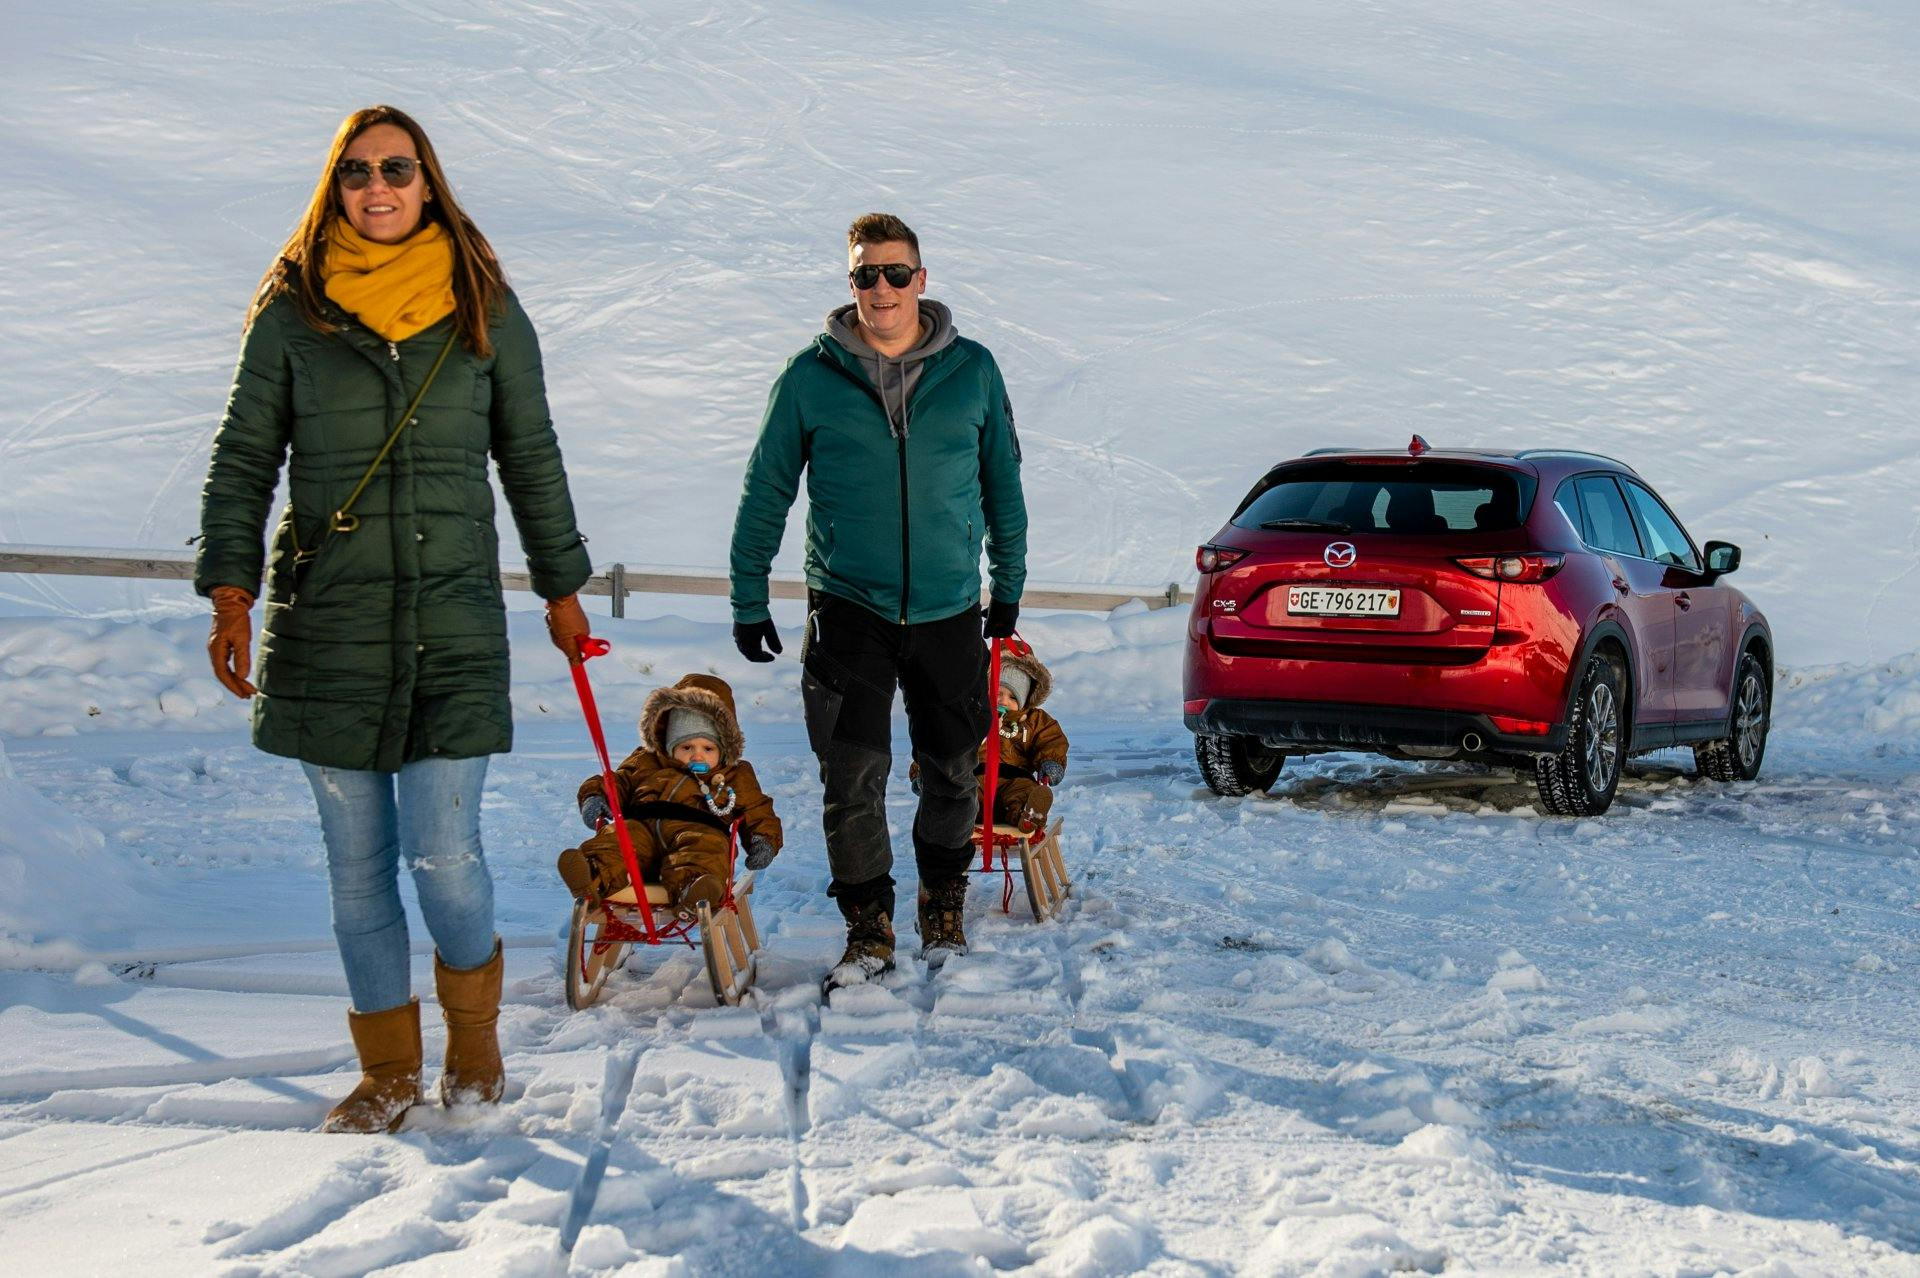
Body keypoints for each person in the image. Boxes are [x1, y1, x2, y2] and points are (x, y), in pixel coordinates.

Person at [194, 105, 593, 1134]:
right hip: (327, 625)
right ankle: (385, 1073)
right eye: (359, 173)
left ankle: (474, 1040)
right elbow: (246, 457)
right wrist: (231, 592)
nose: (379, 188)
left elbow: (531, 455)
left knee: (445, 858)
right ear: (337, 188)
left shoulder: (484, 309)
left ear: (428, 183)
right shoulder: (292, 314)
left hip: (455, 622)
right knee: (357, 871)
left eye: (398, 170)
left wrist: (561, 587)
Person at [728, 212, 1028, 986]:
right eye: (867, 274)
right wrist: (748, 595)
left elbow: (1003, 487)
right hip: (848, 606)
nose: (883, 288)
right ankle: (868, 932)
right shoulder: (808, 377)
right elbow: (766, 490)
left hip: (949, 607)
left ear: (922, 281)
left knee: (954, 769)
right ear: (851, 282)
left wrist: (1010, 587)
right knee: (851, 777)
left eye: (897, 272)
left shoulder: (975, 371)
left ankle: (942, 906)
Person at [559, 673, 782, 914]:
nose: (697, 755)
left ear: (725, 746)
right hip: (640, 827)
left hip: (698, 829)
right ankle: (592, 877)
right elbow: (618, 781)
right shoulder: (646, 760)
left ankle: (694, 890)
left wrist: (763, 839)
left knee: (705, 849)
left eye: (708, 748)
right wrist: (596, 795)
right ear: (668, 744)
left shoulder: (734, 774)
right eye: (686, 747)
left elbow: (756, 808)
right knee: (618, 838)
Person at [914, 645, 1068, 835]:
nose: (1003, 701)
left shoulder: (1034, 720)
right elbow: (941, 742)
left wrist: (1051, 762)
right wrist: (924, 773)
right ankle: (953, 818)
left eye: (1013, 697)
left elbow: (1050, 740)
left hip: (1015, 779)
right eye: (997, 693)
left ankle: (1028, 814)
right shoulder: (971, 716)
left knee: (1023, 793)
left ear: (1026, 698)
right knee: (960, 797)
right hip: (973, 778)